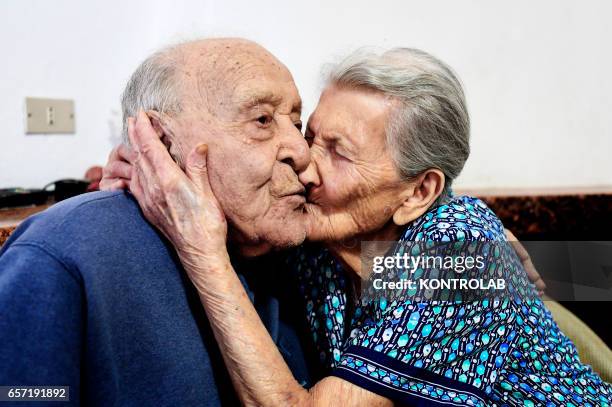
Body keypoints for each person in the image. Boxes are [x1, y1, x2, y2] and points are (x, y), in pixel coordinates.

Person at [103, 47, 611, 406]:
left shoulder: (457, 254)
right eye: (311, 135)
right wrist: (148, 161)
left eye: (339, 152)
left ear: (418, 193)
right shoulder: (329, 238)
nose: (303, 159)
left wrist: (203, 253)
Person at [0, 38, 313, 406]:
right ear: (160, 140)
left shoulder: (312, 249)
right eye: (262, 120)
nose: (302, 151)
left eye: (298, 124)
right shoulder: (64, 251)